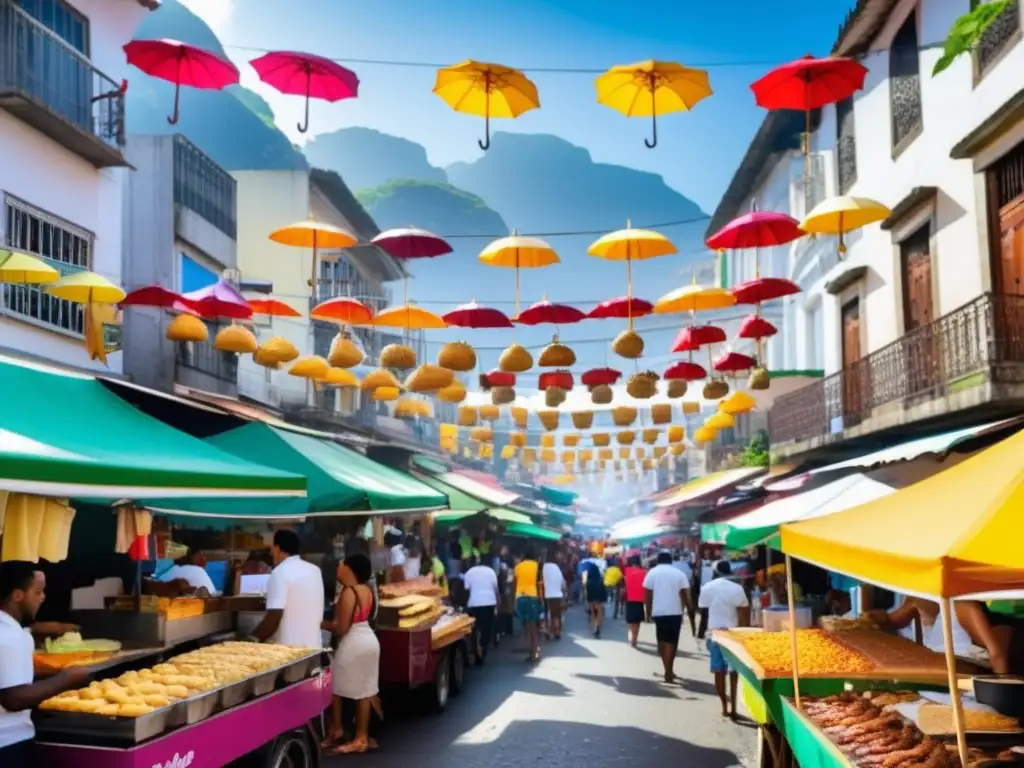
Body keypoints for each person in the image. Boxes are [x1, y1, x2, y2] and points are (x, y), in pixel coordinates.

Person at [0, 561, 89, 761]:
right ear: (17, 595)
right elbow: (13, 698)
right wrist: (68, 678)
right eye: (38, 592)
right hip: (8, 743)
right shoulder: (8, 637)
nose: (43, 598)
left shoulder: (16, 632)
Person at [322, 553, 381, 755]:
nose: (338, 568)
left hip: (353, 643)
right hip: (369, 640)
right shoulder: (368, 590)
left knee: (336, 685)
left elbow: (342, 628)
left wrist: (320, 623)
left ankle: (344, 731)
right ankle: (360, 736)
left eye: (341, 565)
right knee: (365, 690)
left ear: (349, 569)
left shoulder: (348, 592)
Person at [867, 598, 1011, 674]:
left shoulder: (964, 607)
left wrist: (1002, 690)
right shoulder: (938, 604)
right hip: (940, 680)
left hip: (962, 686)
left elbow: (997, 655)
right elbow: (895, 619)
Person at [251, 530, 325, 648]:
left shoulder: (280, 572)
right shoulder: (315, 570)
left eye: (272, 548)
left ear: (278, 548)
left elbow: (273, 618)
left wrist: (250, 640)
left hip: (289, 651)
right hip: (314, 648)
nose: (271, 553)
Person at [699, 561, 750, 718]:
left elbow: (703, 609)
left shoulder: (707, 587)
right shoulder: (737, 588)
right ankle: (734, 707)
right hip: (732, 634)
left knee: (718, 671)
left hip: (714, 633)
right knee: (733, 672)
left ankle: (724, 706)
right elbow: (743, 612)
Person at [643, 550, 692, 683]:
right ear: (671, 561)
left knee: (661, 641)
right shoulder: (679, 574)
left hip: (658, 612)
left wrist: (647, 612)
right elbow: (686, 595)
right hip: (675, 612)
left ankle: (667, 670)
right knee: (672, 642)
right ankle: (669, 671)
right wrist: (690, 610)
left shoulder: (652, 573)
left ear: (658, 560)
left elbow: (647, 594)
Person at [463, 556, 499, 665]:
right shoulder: (491, 572)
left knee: (474, 628)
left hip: (474, 603)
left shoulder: (469, 572)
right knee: (486, 628)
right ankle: (483, 649)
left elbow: (466, 589)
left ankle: (475, 649)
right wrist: (498, 605)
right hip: (489, 603)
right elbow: (496, 590)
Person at [514, 546, 543, 662]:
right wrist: (541, 599)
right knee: (533, 625)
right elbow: (539, 583)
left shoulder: (518, 567)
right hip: (532, 596)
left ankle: (530, 649)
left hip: (520, 597)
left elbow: (515, 582)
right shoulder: (537, 566)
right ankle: (535, 650)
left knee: (525, 625)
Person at [623, 555, 647, 648]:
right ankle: (634, 639)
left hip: (629, 599)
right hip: (639, 600)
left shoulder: (627, 571)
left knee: (631, 621)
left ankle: (632, 637)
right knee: (637, 622)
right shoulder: (643, 572)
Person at [542, 552, 566, 640]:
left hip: (546, 594)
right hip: (557, 595)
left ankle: (548, 630)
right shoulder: (557, 568)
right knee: (556, 615)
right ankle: (557, 631)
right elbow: (563, 583)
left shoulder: (542, 568)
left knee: (546, 613)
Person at [583, 558, 607, 638]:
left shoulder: (589, 581)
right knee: (599, 610)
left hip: (591, 597)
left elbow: (586, 591)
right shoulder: (600, 580)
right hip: (599, 597)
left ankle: (594, 627)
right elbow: (604, 592)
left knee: (593, 611)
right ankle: (597, 626)